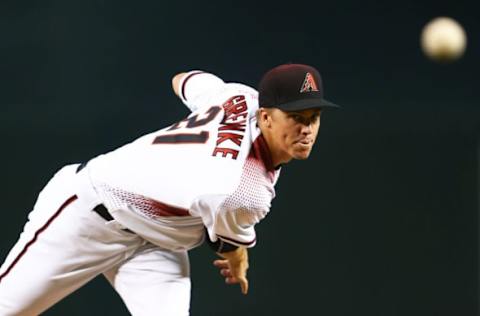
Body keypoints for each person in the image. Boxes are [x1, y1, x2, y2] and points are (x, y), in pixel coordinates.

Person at [0, 63, 338, 315]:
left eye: (313, 117)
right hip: (88, 216)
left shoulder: (240, 96)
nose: (307, 128)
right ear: (265, 117)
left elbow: (184, 80)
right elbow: (228, 245)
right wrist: (238, 260)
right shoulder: (243, 189)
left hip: (156, 244)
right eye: (296, 117)